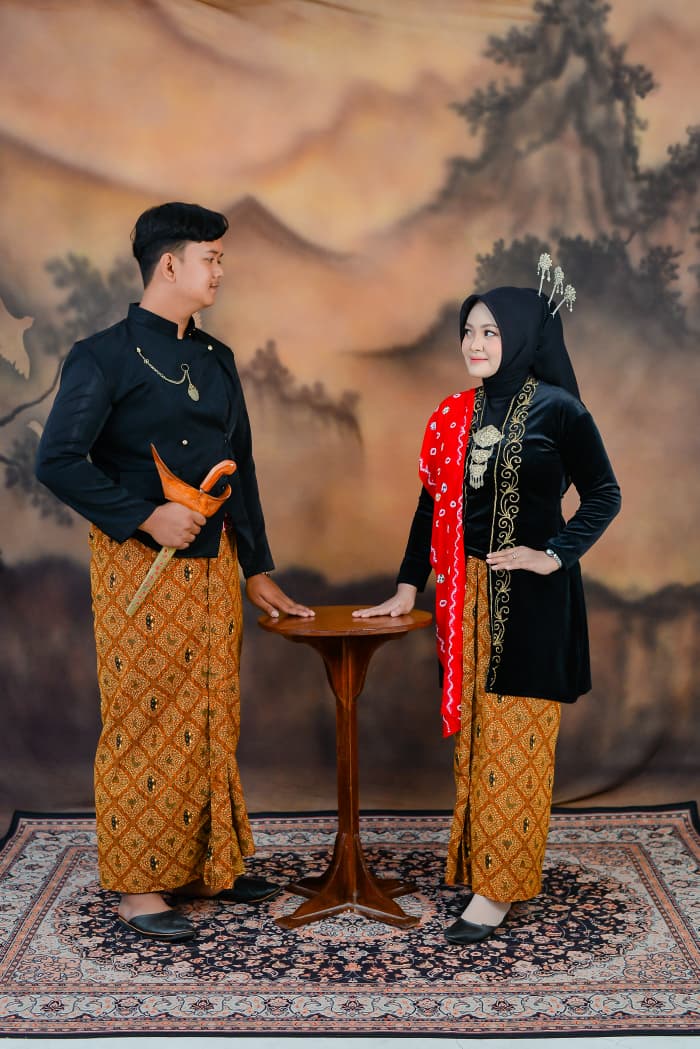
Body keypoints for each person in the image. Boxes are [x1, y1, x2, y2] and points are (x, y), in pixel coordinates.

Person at [36, 202, 314, 943]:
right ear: (169, 264)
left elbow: (239, 468)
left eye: (220, 259)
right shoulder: (102, 356)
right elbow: (56, 459)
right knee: (146, 717)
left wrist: (257, 567)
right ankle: (139, 886)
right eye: (210, 258)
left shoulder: (217, 359)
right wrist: (144, 515)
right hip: (140, 568)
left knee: (212, 711)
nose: (220, 271)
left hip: (215, 566)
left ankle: (206, 865)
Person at [354, 278, 620, 944]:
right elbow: (431, 505)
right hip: (465, 599)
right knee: (479, 738)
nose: (475, 344)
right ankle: (483, 867)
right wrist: (408, 585)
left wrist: (553, 554)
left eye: (491, 332)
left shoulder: (560, 410)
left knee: (516, 740)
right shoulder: (452, 414)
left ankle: (498, 889)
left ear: (522, 337)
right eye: (469, 331)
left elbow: (603, 493)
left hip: (532, 604)